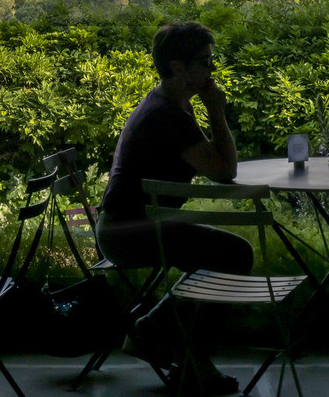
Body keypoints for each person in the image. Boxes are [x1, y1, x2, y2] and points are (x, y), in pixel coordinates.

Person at [97, 21, 249, 396]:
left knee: (227, 254)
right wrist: (216, 109)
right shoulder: (170, 115)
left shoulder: (167, 103)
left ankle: (154, 330)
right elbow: (225, 172)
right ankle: (187, 354)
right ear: (179, 68)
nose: (212, 69)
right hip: (131, 232)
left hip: (128, 226)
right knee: (234, 255)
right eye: (206, 61)